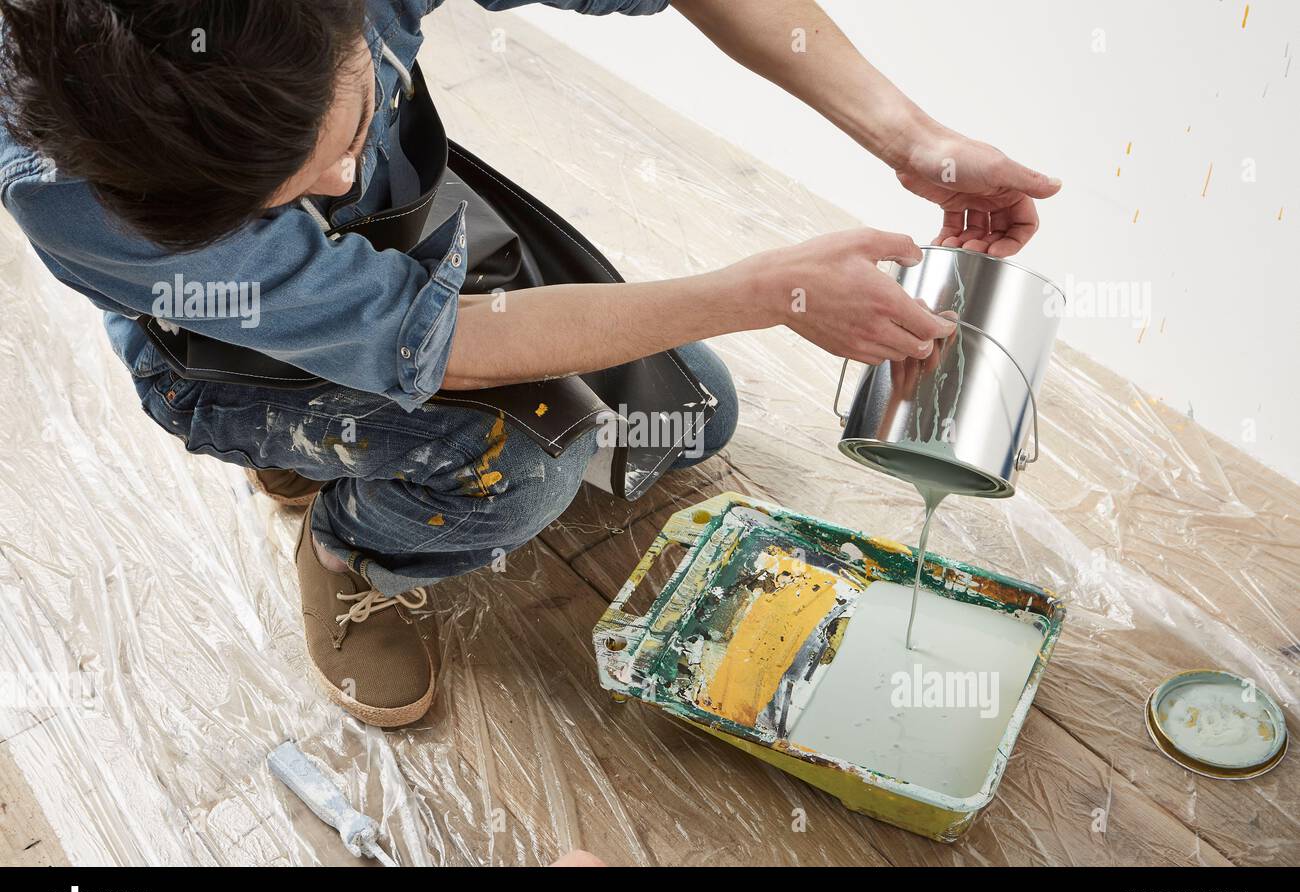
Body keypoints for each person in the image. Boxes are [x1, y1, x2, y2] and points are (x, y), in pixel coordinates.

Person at [0, 0, 1058, 728]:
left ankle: (341, 441)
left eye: (352, 123)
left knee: (688, 421)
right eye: (278, 196)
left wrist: (908, 136)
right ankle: (347, 550)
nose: (333, 179)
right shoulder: (66, 180)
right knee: (527, 460)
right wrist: (763, 292)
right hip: (216, 347)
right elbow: (454, 347)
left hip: (398, 248)